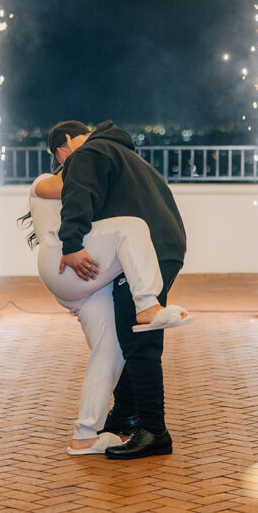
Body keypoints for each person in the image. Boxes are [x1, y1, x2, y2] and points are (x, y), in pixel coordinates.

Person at [53, 119, 188, 459]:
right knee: (129, 332)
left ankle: (154, 431)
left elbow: (77, 197)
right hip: (165, 247)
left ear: (63, 146)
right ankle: (126, 414)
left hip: (146, 254)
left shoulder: (86, 153)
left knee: (139, 338)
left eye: (61, 160)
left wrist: (70, 244)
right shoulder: (124, 154)